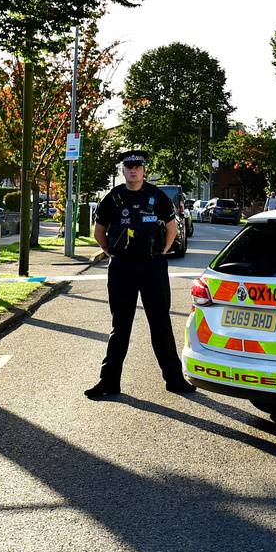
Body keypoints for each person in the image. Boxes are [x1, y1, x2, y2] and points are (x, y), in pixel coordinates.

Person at [85, 152, 194, 400]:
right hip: (122, 268)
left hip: (152, 267)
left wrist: (162, 252)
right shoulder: (112, 198)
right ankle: (109, 382)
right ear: (123, 171)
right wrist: (110, 252)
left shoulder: (158, 197)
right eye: (129, 166)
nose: (133, 170)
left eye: (138, 166)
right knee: (120, 326)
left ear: (144, 170)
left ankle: (175, 380)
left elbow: (171, 227)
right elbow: (99, 231)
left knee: (160, 324)